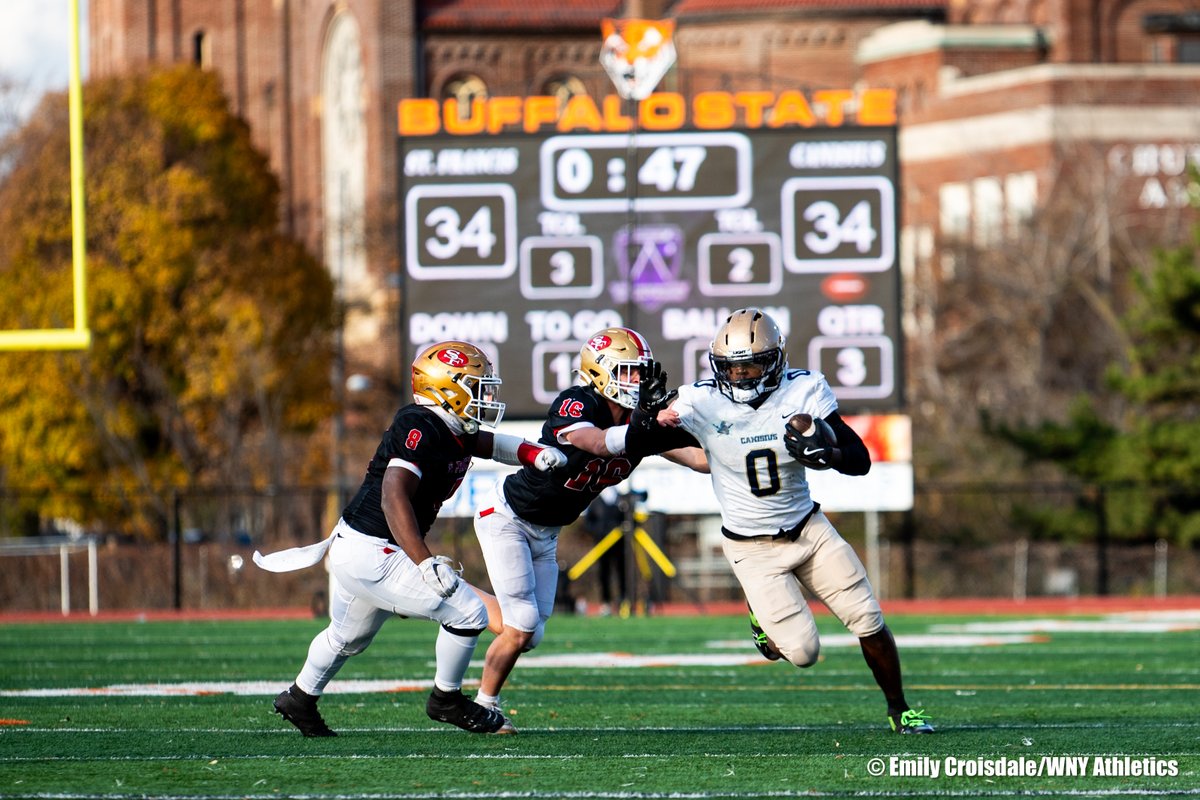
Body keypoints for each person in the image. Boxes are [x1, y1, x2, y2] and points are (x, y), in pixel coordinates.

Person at [630, 307, 934, 734]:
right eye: (732, 369)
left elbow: (860, 460)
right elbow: (639, 440)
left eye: (752, 366)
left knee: (869, 618)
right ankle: (760, 615)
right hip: (751, 548)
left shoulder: (804, 391)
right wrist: (646, 414)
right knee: (803, 653)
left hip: (808, 531)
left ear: (775, 362)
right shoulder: (699, 400)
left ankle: (901, 710)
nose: (742, 377)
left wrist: (829, 454)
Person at [253, 341, 567, 737]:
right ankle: (446, 700)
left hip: (357, 547)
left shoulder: (453, 427)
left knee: (347, 637)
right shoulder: (420, 425)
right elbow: (393, 495)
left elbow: (486, 443)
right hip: (375, 550)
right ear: (447, 389)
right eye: (476, 386)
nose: (486, 395)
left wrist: (530, 453)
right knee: (467, 613)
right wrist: (424, 560)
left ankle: (298, 698)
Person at [470, 327, 701, 733]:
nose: (636, 382)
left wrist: (752, 447)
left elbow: (700, 460)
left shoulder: (636, 421)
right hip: (507, 516)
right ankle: (484, 704)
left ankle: (457, 597)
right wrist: (647, 428)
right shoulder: (578, 402)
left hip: (547, 532)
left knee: (530, 632)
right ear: (600, 372)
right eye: (628, 372)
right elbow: (595, 442)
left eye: (640, 373)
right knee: (520, 625)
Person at [582, 486, 628, 616]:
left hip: (620, 544)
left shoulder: (620, 499)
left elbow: (629, 520)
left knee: (622, 573)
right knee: (603, 573)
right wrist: (599, 532)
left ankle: (623, 602)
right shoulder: (596, 501)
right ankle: (606, 603)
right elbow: (588, 522)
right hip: (602, 544)